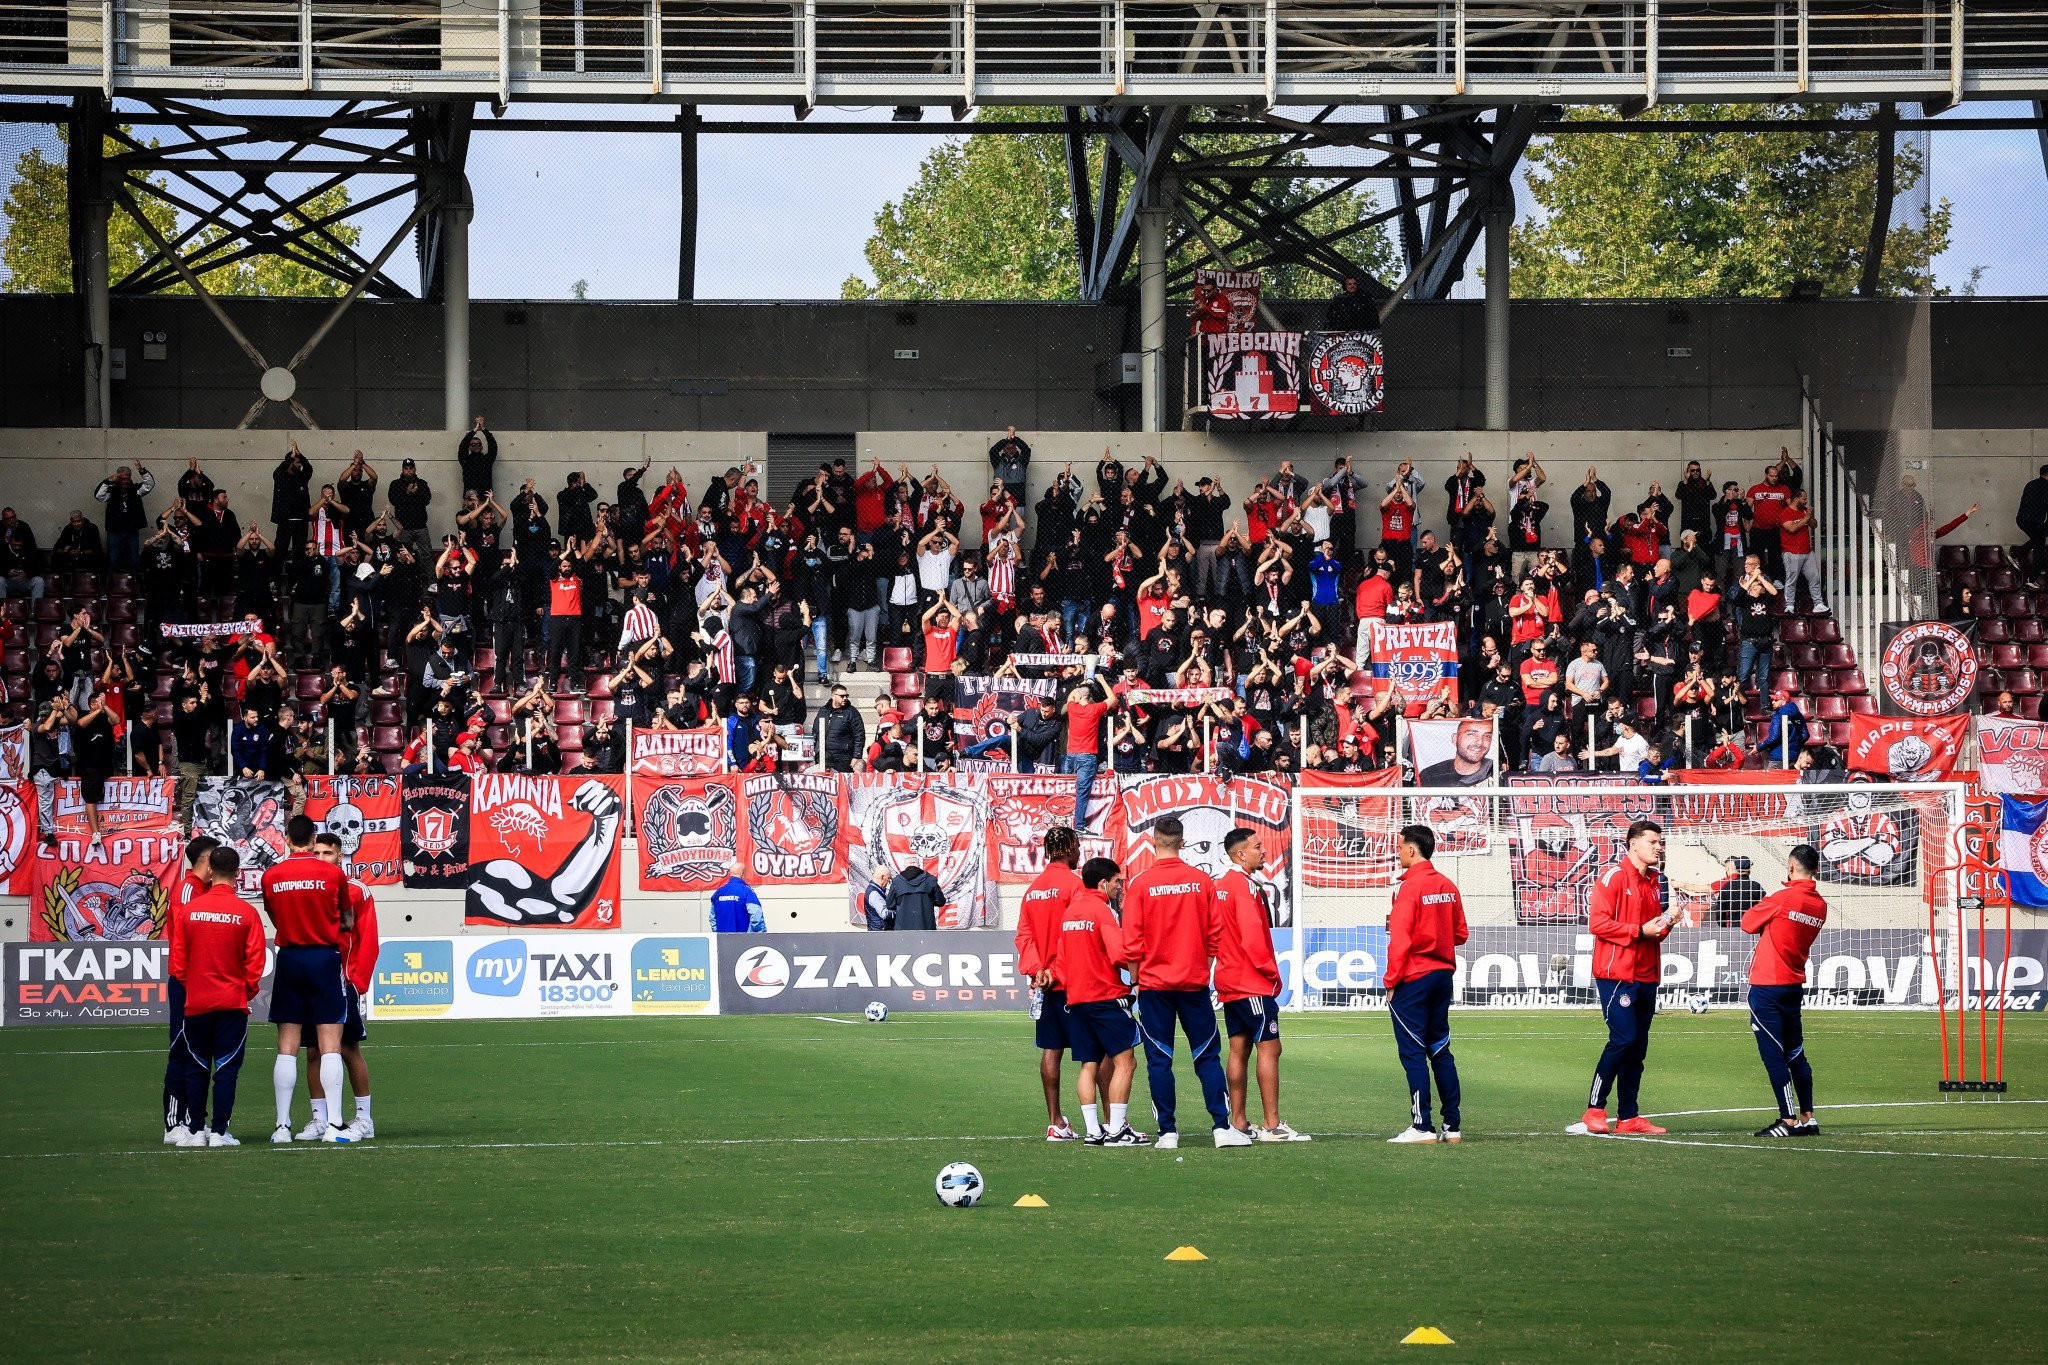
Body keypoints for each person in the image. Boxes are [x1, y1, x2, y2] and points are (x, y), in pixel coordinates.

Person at [1123, 816, 1247, 1149]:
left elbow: (1132, 939)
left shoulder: (1140, 884)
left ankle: (1168, 1133)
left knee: (1159, 1058)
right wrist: (1201, 968)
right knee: (1207, 1055)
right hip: (1193, 984)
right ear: (1182, 842)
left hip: (1154, 986)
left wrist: (1135, 978)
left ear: (1153, 840)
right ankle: (1221, 1129)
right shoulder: (1201, 880)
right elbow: (1214, 933)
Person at [1571, 820, 1679, 1137]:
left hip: (1648, 974)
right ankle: (1594, 1109)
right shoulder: (1613, 877)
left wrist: (1669, 919)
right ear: (1633, 843)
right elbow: (1598, 924)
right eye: (1653, 841)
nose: (1659, 846)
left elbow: (1654, 932)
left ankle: (1629, 1116)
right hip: (1617, 974)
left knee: (1638, 1048)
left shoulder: (1657, 881)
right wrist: (1638, 931)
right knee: (1623, 1039)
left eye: (1661, 842)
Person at [259, 815, 354, 1145]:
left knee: (287, 1044)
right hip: (323, 958)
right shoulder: (333, 873)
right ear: (314, 839)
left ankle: (282, 1126)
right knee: (330, 1042)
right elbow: (347, 918)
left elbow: (273, 915)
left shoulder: (272, 875)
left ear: (287, 839)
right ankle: (335, 1126)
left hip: (290, 957)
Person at [167, 845, 266, 1146]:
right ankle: (219, 1132)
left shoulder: (189, 911)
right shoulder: (247, 913)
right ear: (238, 874)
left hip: (196, 1002)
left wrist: (195, 986)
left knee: (196, 1065)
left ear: (210, 871)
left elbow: (178, 963)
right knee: (226, 1068)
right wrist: (244, 990)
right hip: (231, 1002)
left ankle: (196, 1131)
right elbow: (256, 963)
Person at [1213, 827, 1306, 1142]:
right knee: (1270, 1047)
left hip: (1228, 980)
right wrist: (1272, 973)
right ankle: (1272, 1124)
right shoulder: (1246, 888)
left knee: (1238, 1049)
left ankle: (1238, 1122)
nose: (1263, 851)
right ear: (1240, 854)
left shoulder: (1221, 886)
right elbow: (1253, 938)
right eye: (1257, 847)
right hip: (1250, 981)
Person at [1384, 824, 1468, 1144]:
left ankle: (1422, 1127)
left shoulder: (1408, 888)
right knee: (1440, 1049)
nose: (1398, 850)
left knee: (1414, 1053)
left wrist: (1391, 980)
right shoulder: (1447, 884)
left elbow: (1400, 941)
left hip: (1414, 978)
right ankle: (1453, 1126)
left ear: (1411, 849)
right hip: (1442, 976)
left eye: (1400, 845)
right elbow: (1460, 933)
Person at [1057, 856, 1148, 1146]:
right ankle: (1117, 1129)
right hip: (1105, 997)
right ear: (1102, 883)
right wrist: (1141, 967)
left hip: (1076, 999)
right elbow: (1119, 954)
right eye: (1116, 881)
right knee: (1126, 1062)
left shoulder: (1070, 913)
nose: (1119, 886)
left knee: (1088, 1064)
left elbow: (1062, 960)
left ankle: (1093, 1131)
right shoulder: (1101, 911)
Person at [1742, 844, 1828, 1138]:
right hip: (1793, 984)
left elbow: (1747, 923)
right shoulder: (1820, 905)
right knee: (1795, 1054)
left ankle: (1787, 1120)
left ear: (1791, 867)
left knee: (1773, 1056)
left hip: (1767, 985)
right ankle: (1808, 1117)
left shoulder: (1781, 898)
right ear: (1815, 869)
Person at [1015, 826, 1084, 1143]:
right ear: (1070, 849)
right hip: (1073, 981)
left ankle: (1056, 1122)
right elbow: (1075, 933)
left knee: (1050, 1050)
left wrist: (1036, 970)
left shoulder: (1033, 889)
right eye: (1078, 846)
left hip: (1044, 984)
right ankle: (1107, 1123)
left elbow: (1024, 937)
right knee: (1095, 1054)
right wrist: (1054, 969)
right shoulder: (1074, 886)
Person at [305, 832, 376, 1141]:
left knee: (348, 1049)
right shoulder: (309, 889)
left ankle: (363, 1118)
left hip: (342, 982)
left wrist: (357, 982)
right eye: (316, 853)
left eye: (327, 854)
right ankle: (319, 1119)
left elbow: (368, 941)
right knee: (312, 1052)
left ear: (340, 856)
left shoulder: (357, 891)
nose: (321, 859)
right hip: (311, 980)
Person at [162, 833, 220, 1145]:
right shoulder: (188, 891)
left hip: (205, 982)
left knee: (201, 1054)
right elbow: (188, 941)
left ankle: (193, 1120)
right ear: (207, 861)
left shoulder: (207, 890)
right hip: (187, 983)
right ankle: (174, 1124)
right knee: (182, 1051)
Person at [1418, 715, 1494, 787]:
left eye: (1487, 736)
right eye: (1472, 734)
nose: (1480, 742)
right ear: (1455, 739)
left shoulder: (1494, 771)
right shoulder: (1430, 775)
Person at [710, 860, 765, 933]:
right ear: (742, 874)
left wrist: (718, 934)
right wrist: (761, 935)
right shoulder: (747, 891)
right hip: (743, 940)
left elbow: (713, 920)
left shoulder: (718, 892)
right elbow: (756, 918)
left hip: (722, 941)